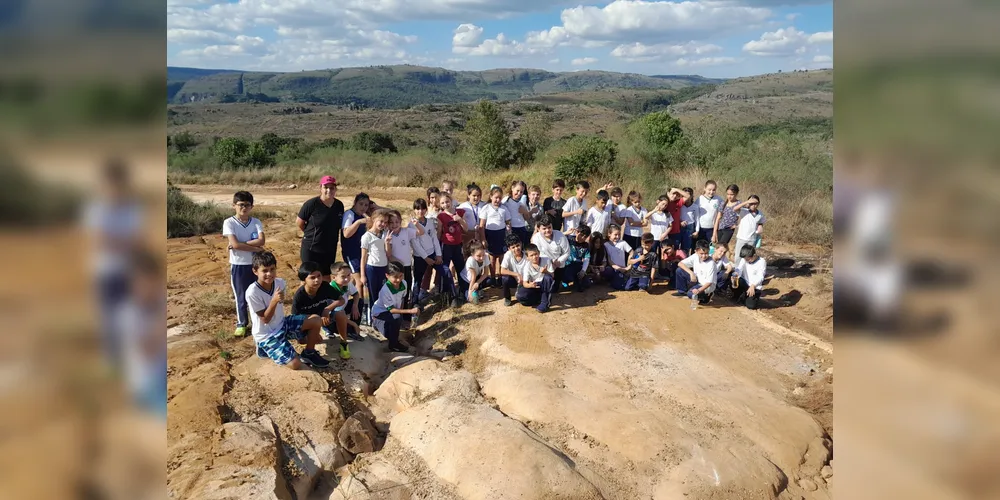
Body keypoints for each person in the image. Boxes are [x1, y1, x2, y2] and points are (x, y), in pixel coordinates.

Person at [85, 158, 143, 371]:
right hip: (106, 269)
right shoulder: (97, 209)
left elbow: (136, 240)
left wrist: (119, 241)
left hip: (129, 270)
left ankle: (129, 360)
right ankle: (111, 361)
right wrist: (123, 242)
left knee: (131, 315)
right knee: (108, 317)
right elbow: (99, 240)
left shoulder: (132, 208)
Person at [246, 252, 330, 369]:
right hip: (267, 334)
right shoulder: (252, 292)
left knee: (316, 320)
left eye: (272, 269)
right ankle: (263, 347)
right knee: (295, 364)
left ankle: (309, 353)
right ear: (255, 271)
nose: (269, 274)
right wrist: (274, 301)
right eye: (264, 271)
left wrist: (302, 334)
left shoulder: (280, 283)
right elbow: (265, 319)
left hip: (282, 324)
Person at [116, 247, 166, 417]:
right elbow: (147, 350)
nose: (147, 286)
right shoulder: (128, 313)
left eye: (152, 280)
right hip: (146, 385)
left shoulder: (159, 304)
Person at [223, 191, 266, 337]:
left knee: (258, 294)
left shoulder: (256, 222)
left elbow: (262, 241)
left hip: (255, 265)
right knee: (240, 297)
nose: (244, 208)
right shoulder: (229, 222)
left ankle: (258, 321)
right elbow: (234, 244)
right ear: (234, 205)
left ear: (252, 206)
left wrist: (239, 244)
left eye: (247, 205)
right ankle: (242, 323)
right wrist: (255, 248)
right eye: (241, 205)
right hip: (239, 264)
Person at [292, 262, 351, 360]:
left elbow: (341, 300)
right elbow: (295, 318)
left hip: (324, 317)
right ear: (304, 280)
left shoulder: (324, 286)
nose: (317, 280)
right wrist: (311, 328)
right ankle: (309, 350)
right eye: (312, 277)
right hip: (308, 322)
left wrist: (327, 309)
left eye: (319, 276)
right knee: (311, 340)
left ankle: (344, 343)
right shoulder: (300, 296)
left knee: (340, 313)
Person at [297, 176, 345, 282]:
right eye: (326, 187)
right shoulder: (311, 204)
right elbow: (299, 222)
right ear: (321, 188)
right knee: (309, 278)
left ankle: (324, 299)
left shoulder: (339, 205)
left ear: (335, 189)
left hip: (329, 249)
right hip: (311, 248)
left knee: (326, 277)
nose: (329, 190)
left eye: (332, 188)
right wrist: (310, 234)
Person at [371, 263, 421, 353]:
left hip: (393, 312)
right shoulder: (385, 291)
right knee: (389, 333)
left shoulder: (404, 284)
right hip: (380, 313)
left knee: (397, 320)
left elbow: (402, 298)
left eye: (401, 276)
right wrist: (410, 311)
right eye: (395, 277)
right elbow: (392, 310)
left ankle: (393, 335)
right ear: (387, 276)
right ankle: (393, 344)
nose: (398, 279)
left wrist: (401, 315)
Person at [386, 210, 424, 327]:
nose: (394, 224)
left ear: (400, 222)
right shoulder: (387, 235)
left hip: (407, 267)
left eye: (397, 222)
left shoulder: (406, 231)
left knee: (406, 291)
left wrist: (416, 223)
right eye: (391, 222)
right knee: (396, 292)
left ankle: (406, 316)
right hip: (395, 269)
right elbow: (389, 254)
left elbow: (421, 232)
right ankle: (395, 316)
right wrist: (387, 243)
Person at [411, 198, 452, 304]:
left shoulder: (429, 221)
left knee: (446, 272)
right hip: (420, 257)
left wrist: (438, 255)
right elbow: (416, 245)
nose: (420, 211)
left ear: (426, 209)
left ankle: (450, 295)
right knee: (417, 281)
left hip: (432, 253)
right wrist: (426, 258)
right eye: (418, 209)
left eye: (423, 209)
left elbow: (434, 238)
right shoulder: (411, 225)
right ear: (414, 210)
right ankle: (415, 303)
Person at [342, 193, 372, 321]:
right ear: (355, 202)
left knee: (353, 282)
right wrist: (359, 222)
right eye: (361, 204)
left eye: (366, 205)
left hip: (362, 253)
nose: (364, 207)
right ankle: (360, 311)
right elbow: (346, 233)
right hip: (351, 253)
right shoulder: (350, 215)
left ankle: (348, 308)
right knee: (359, 282)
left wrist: (373, 207)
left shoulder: (365, 216)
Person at [360, 209, 391, 325]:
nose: (383, 224)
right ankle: (371, 319)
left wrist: (387, 242)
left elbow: (388, 254)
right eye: (381, 221)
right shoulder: (366, 236)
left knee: (381, 294)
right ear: (374, 220)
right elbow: (363, 257)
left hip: (383, 268)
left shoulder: (384, 234)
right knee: (372, 296)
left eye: (386, 222)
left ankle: (379, 318)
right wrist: (362, 275)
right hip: (372, 268)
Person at [437, 192, 468, 307]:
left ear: (451, 201)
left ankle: (463, 291)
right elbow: (439, 232)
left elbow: (466, 228)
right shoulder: (441, 216)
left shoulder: (460, 212)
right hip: (446, 245)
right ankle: (447, 293)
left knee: (461, 267)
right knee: (445, 269)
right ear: (440, 205)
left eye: (447, 201)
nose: (445, 204)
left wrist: (459, 219)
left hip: (458, 245)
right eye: (442, 203)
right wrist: (437, 248)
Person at [478, 186, 512, 286]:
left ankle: (501, 277)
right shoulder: (486, 208)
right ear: (491, 196)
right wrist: (483, 239)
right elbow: (482, 226)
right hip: (490, 235)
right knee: (492, 258)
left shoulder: (504, 209)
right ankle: (493, 278)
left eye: (500, 198)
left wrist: (508, 231)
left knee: (501, 257)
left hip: (501, 235)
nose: (498, 200)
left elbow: (508, 222)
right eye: (496, 197)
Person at [673, 240, 721, 305]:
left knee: (691, 294)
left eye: (706, 253)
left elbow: (709, 282)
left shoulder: (711, 263)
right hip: (697, 280)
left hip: (706, 285)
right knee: (679, 270)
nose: (704, 256)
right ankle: (682, 291)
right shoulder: (695, 256)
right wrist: (691, 273)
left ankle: (706, 296)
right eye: (701, 254)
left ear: (709, 251)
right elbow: (680, 264)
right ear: (696, 251)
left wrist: (699, 290)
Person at [530, 215, 571, 288]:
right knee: (544, 287)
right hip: (544, 266)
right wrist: (551, 261)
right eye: (544, 228)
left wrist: (558, 261)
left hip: (558, 264)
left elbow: (567, 252)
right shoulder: (536, 238)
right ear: (538, 229)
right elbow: (539, 254)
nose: (547, 230)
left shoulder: (560, 235)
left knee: (555, 289)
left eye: (549, 227)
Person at [516, 244, 556, 313]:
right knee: (520, 296)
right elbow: (525, 283)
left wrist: (546, 271)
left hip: (544, 283)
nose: (534, 257)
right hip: (534, 285)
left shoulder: (546, 260)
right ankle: (539, 298)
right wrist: (530, 285)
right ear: (527, 257)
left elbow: (552, 276)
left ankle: (545, 303)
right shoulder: (527, 266)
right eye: (531, 255)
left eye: (536, 254)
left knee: (547, 277)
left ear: (539, 253)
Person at [329, 262, 362, 344]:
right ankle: (351, 329)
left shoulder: (347, 284)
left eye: (348, 275)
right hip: (333, 317)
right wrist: (353, 323)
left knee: (359, 302)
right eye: (343, 276)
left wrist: (355, 306)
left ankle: (352, 331)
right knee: (338, 322)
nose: (347, 279)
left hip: (342, 311)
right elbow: (336, 314)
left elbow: (356, 294)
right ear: (334, 277)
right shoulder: (330, 290)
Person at [732, 195, 766, 260]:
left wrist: (760, 226)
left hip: (752, 239)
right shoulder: (744, 211)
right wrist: (747, 202)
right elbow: (735, 209)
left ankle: (746, 269)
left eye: (755, 203)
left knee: (748, 256)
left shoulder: (760, 214)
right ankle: (737, 269)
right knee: (738, 256)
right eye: (751, 203)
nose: (753, 205)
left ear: (758, 203)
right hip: (741, 238)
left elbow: (761, 222)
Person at [498, 233, 528, 306]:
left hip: (525, 280)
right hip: (514, 280)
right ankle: (507, 297)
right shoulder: (508, 254)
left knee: (524, 300)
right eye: (513, 247)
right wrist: (516, 275)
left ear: (521, 244)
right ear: (509, 248)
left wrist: (524, 280)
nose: (516, 249)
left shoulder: (527, 255)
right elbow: (502, 270)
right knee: (505, 278)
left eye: (518, 245)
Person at [503, 181, 534, 248]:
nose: (519, 193)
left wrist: (525, 211)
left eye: (521, 192)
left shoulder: (521, 203)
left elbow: (526, 218)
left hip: (521, 228)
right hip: (511, 229)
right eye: (517, 190)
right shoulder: (505, 201)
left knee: (520, 249)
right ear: (512, 188)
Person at [712, 184, 741, 253]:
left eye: (732, 194)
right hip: (720, 228)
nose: (729, 196)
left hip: (729, 230)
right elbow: (718, 218)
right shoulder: (723, 203)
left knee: (721, 247)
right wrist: (714, 234)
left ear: (736, 194)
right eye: (728, 194)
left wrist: (736, 226)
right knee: (717, 247)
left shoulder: (739, 204)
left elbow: (742, 217)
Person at [603, 224, 632, 290]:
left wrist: (628, 265)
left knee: (623, 286)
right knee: (608, 271)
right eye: (615, 235)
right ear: (609, 234)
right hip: (614, 269)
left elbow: (632, 253)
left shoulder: (623, 243)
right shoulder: (606, 245)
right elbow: (610, 261)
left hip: (623, 269)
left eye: (619, 234)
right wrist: (620, 269)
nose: (618, 236)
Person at [563, 224, 592, 292]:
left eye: (585, 237)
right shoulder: (569, 239)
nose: (582, 238)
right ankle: (565, 280)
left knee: (587, 284)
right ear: (577, 232)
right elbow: (556, 237)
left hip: (578, 266)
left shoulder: (586, 245)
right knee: (568, 275)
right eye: (581, 235)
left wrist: (583, 270)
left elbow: (586, 258)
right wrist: (566, 233)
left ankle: (576, 281)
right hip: (567, 265)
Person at [680, 187, 697, 254]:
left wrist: (697, 230)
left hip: (690, 227)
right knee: (678, 245)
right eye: (684, 196)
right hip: (680, 226)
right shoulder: (680, 206)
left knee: (686, 247)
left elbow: (697, 219)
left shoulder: (695, 206)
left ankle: (685, 261)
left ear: (692, 196)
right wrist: (680, 222)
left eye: (688, 195)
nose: (686, 198)